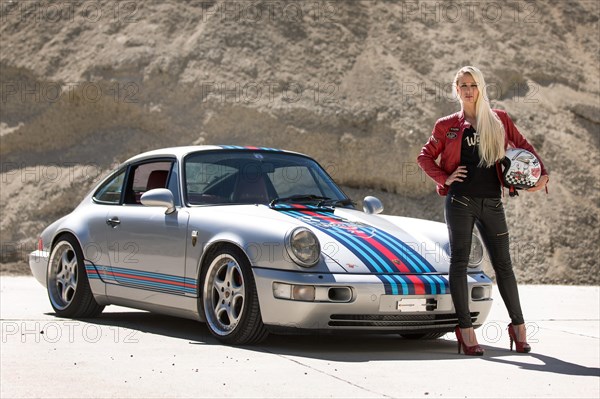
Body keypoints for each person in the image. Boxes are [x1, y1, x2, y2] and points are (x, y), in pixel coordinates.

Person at [417, 66, 549, 356]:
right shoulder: (447, 125)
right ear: (456, 89)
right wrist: (444, 178)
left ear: (481, 87)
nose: (468, 89)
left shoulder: (498, 119)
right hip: (460, 201)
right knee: (460, 264)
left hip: (492, 202)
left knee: (504, 265)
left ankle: (518, 329)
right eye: (462, 84)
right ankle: (466, 331)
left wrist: (542, 174)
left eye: (473, 84)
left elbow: (523, 146)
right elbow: (424, 156)